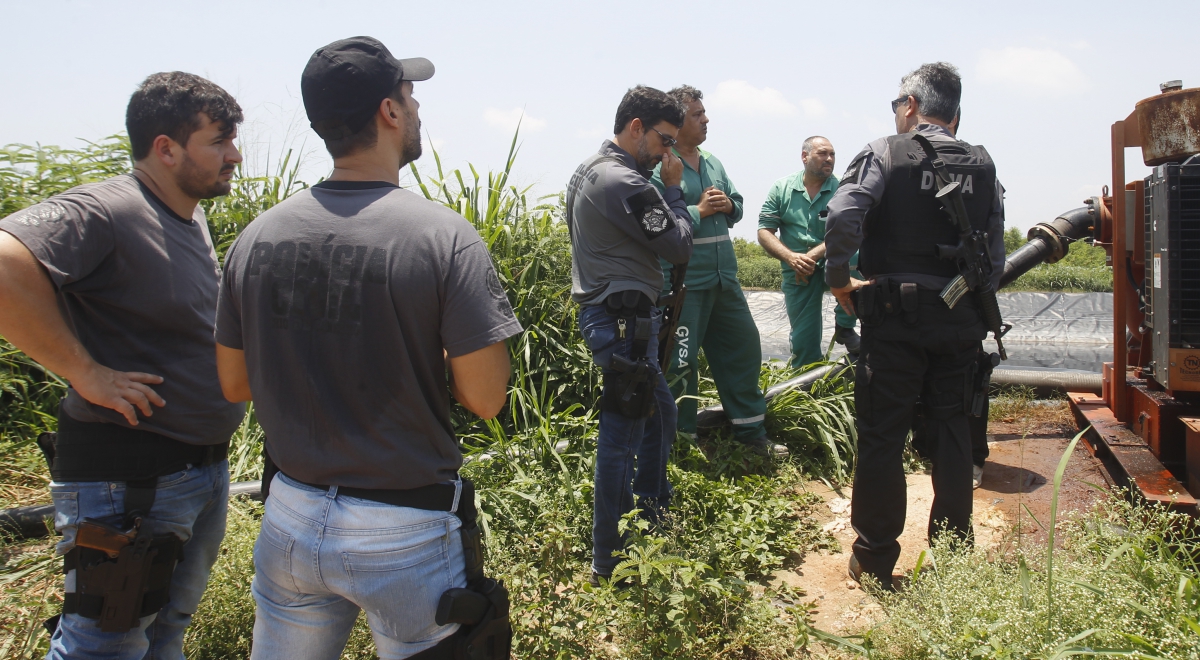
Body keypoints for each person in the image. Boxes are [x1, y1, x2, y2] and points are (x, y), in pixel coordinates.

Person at [214, 37, 522, 659]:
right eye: (409, 96)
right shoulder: (444, 237)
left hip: (291, 514)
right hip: (404, 527)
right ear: (388, 111)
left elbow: (234, 385)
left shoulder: (257, 236)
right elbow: (487, 398)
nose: (414, 109)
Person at [0, 72, 246, 659]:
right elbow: (6, 263)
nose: (234, 155)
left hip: (192, 476)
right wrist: (85, 372)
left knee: (163, 637)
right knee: (101, 645)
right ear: (166, 148)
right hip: (128, 483)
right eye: (218, 140)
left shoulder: (184, 215)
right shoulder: (108, 209)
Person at [823, 62, 1005, 590]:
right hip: (960, 320)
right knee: (951, 429)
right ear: (957, 113)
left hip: (895, 318)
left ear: (909, 105)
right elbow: (992, 256)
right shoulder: (984, 163)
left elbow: (842, 217)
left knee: (883, 434)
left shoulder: (884, 150)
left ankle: (875, 559)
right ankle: (952, 555)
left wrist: (839, 281)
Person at [567, 85, 692, 585]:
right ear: (635, 127)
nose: (667, 154)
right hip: (624, 326)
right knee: (621, 437)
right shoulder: (627, 183)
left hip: (616, 319)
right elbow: (679, 245)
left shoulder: (590, 169)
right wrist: (677, 191)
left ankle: (652, 516)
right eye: (664, 141)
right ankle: (609, 561)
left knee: (660, 414)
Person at [647, 85, 773, 454]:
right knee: (681, 362)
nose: (705, 119)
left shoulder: (713, 161)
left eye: (704, 112)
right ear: (676, 121)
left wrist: (728, 205)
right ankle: (680, 443)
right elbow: (659, 226)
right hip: (687, 284)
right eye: (697, 114)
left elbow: (738, 205)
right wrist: (700, 210)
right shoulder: (661, 167)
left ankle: (751, 435)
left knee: (743, 350)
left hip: (724, 279)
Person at [910, 105, 991, 490]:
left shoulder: (894, 160)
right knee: (954, 402)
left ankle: (971, 460)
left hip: (943, 302)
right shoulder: (983, 166)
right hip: (956, 306)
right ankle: (952, 462)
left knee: (964, 396)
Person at [758, 136, 861, 368]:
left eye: (832, 154)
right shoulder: (782, 188)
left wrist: (811, 256)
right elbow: (764, 230)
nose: (829, 159)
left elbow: (848, 231)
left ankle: (845, 326)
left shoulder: (844, 189)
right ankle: (806, 385)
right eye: (823, 153)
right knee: (805, 343)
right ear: (805, 156)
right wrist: (791, 257)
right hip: (797, 269)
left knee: (857, 255)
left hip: (833, 261)